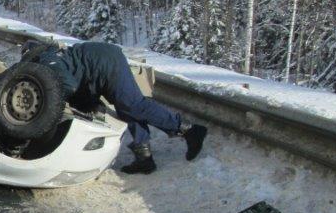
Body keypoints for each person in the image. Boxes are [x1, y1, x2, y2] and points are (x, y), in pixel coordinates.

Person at [25, 41, 207, 174]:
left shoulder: (46, 60)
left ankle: (189, 130)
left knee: (134, 105)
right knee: (126, 107)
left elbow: (68, 85)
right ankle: (144, 158)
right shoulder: (55, 54)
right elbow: (78, 82)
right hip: (101, 63)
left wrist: (53, 104)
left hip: (104, 63)